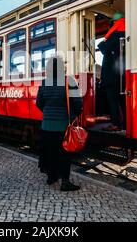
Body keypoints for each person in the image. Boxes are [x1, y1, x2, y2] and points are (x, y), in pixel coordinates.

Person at [36, 56, 83, 192]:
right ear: (63, 68)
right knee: (64, 154)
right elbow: (78, 103)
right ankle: (65, 182)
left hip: (46, 126)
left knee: (50, 151)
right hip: (63, 125)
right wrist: (74, 115)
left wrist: (48, 113)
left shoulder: (45, 83)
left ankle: (51, 177)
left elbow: (39, 103)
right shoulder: (69, 81)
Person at [98, 12, 126, 132]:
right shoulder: (126, 31)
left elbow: (104, 48)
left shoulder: (116, 33)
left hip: (111, 74)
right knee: (122, 100)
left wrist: (101, 43)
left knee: (112, 99)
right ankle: (124, 123)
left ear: (113, 23)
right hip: (122, 73)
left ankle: (116, 124)